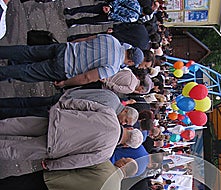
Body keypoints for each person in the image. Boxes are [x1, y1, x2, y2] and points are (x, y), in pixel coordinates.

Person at [0, 97, 143, 170]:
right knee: (14, 150)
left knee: (15, 125)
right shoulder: (106, 153)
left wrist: (60, 106)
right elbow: (77, 161)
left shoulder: (110, 113)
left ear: (130, 128)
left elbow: (84, 104)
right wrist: (53, 165)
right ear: (126, 146)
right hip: (56, 145)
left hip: (57, 121)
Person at [0, 35, 144, 85]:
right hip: (65, 67)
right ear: (130, 62)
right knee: (27, 72)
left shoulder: (112, 40)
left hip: (64, 49)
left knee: (28, 52)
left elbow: (86, 39)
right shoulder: (112, 68)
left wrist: (72, 44)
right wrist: (65, 83)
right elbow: (86, 77)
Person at [0, 157, 138, 190]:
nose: (122, 157)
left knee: (18, 182)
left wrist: (54, 164)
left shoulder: (105, 163)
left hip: (55, 179)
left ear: (123, 164)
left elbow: (76, 163)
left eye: (125, 158)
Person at [0, 87, 139, 122]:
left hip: (66, 96)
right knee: (26, 113)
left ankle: (3, 103)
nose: (123, 122)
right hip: (63, 106)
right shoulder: (110, 111)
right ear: (126, 111)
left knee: (28, 102)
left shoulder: (113, 96)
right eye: (126, 120)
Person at [64, 0, 142, 27]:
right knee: (90, 20)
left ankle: (70, 11)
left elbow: (121, 0)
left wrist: (111, 6)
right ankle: (73, 22)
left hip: (108, 7)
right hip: (109, 17)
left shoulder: (136, 3)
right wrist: (110, 13)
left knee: (89, 9)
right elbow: (121, 19)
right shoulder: (134, 18)